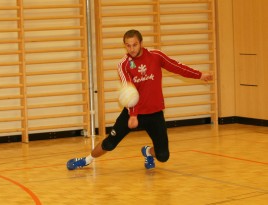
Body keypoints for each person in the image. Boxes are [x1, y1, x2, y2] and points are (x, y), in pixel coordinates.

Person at [67, 29, 213, 170]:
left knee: (163, 156)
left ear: (141, 43)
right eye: (128, 45)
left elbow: (177, 67)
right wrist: (133, 114)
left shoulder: (156, 56)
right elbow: (129, 90)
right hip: (132, 113)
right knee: (110, 144)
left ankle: (148, 152)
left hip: (154, 113)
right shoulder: (123, 65)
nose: (131, 49)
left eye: (134, 44)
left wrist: (200, 75)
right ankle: (86, 160)